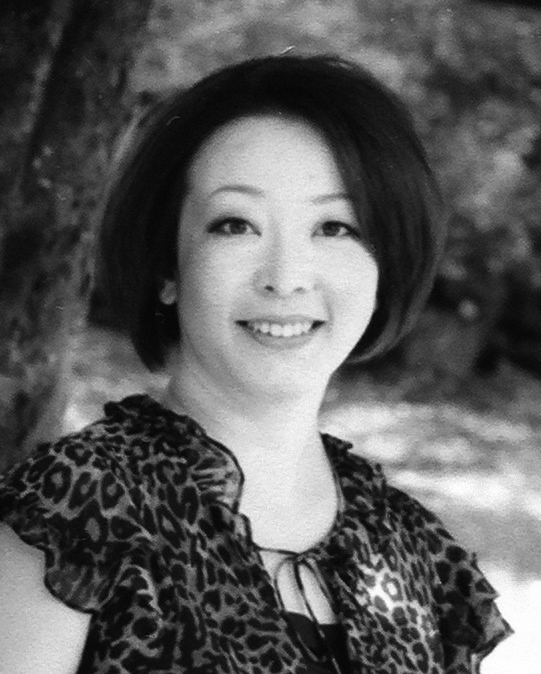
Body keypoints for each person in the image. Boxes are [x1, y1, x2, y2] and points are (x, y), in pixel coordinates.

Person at [0, 54, 511, 674]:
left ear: (384, 266)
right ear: (167, 266)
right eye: (236, 225)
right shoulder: (75, 512)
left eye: (335, 227)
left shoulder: (415, 551)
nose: (286, 278)